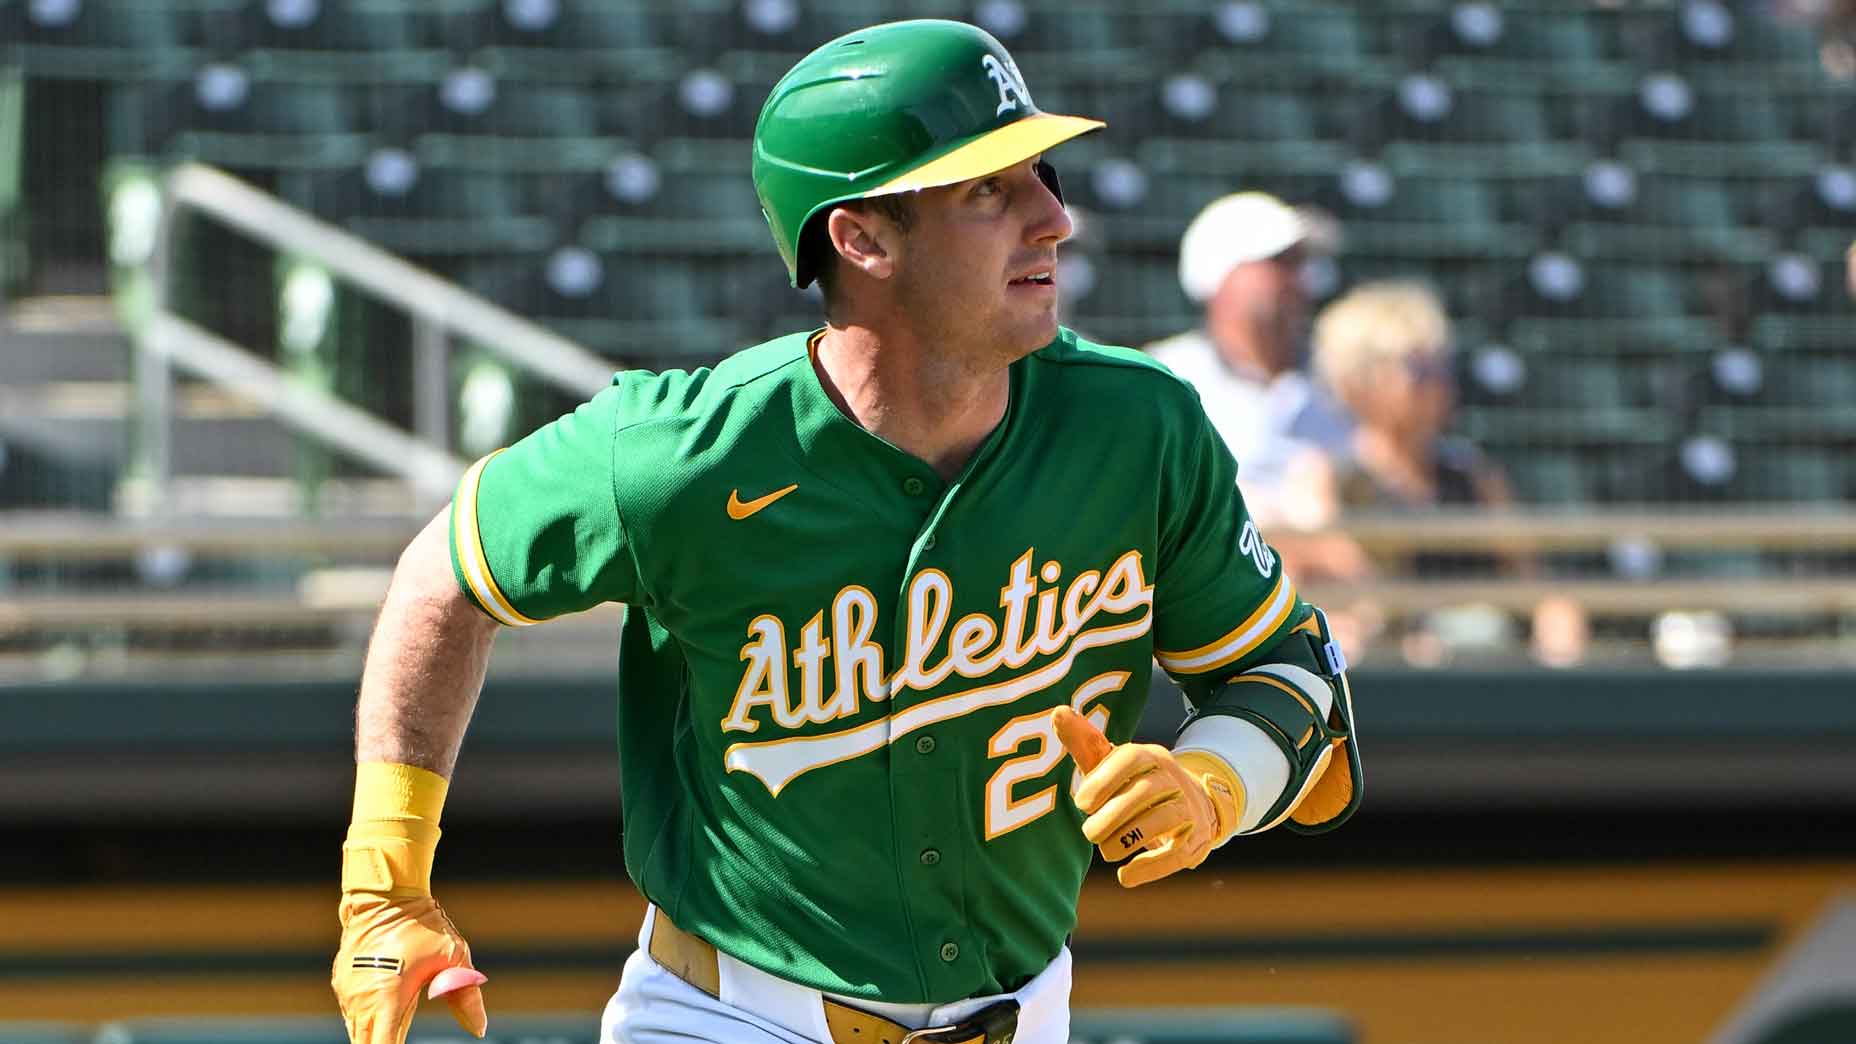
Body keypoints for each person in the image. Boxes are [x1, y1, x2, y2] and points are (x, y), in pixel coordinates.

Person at [329, 21, 1361, 1044]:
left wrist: (1214, 784)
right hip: (728, 1019)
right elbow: (446, 573)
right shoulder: (683, 452)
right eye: (986, 191)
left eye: (1041, 175)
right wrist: (383, 883)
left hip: (1024, 1016)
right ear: (861, 236)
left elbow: (1286, 670)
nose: (1053, 218)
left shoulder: (1135, 425)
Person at [1302, 280, 1586, 666]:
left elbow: (1536, 584)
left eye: (1442, 366)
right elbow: (1353, 586)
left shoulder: (1472, 474)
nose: (1440, 383)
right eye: (1419, 369)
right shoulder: (1328, 478)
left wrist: (1559, 646)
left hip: (1476, 662)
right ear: (1362, 379)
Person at [1144, 192, 1367, 581]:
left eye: (1301, 263)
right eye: (1280, 262)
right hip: (1215, 590)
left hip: (1344, 587)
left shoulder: (1343, 372)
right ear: (1221, 276)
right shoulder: (1164, 376)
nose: (1300, 279)